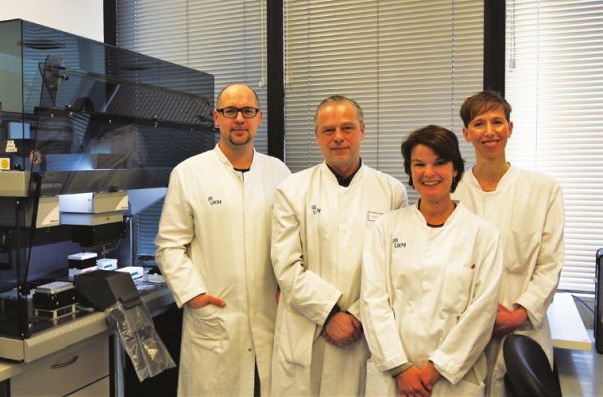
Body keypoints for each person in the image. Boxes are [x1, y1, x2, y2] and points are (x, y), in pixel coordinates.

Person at [155, 83, 291, 397]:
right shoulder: (189, 173)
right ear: (217, 118)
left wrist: (289, 284)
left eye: (247, 111)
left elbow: (293, 240)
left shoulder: (280, 173)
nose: (239, 119)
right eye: (230, 111)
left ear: (259, 118)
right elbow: (169, 246)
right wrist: (193, 295)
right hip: (216, 322)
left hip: (270, 321)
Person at [270, 95, 408, 396]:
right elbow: (286, 265)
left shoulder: (391, 192)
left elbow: (395, 269)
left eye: (347, 128)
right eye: (328, 130)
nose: (338, 138)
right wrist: (330, 314)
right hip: (309, 330)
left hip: (364, 331)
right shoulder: (292, 190)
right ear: (317, 136)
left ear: (363, 131)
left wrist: (356, 315)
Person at [361, 125, 504, 397]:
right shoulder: (386, 227)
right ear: (410, 171)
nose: (429, 173)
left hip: (453, 378)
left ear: (455, 169)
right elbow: (373, 300)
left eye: (439, 163)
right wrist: (400, 367)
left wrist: (435, 369)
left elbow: (482, 313)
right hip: (393, 376)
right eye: (419, 164)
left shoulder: (483, 234)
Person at [452, 90, 565, 396]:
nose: (489, 131)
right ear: (466, 133)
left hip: (523, 329)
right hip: (463, 331)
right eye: (479, 123)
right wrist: (478, 316)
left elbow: (550, 264)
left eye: (497, 122)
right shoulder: (452, 193)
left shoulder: (543, 190)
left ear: (510, 129)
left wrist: (519, 313)